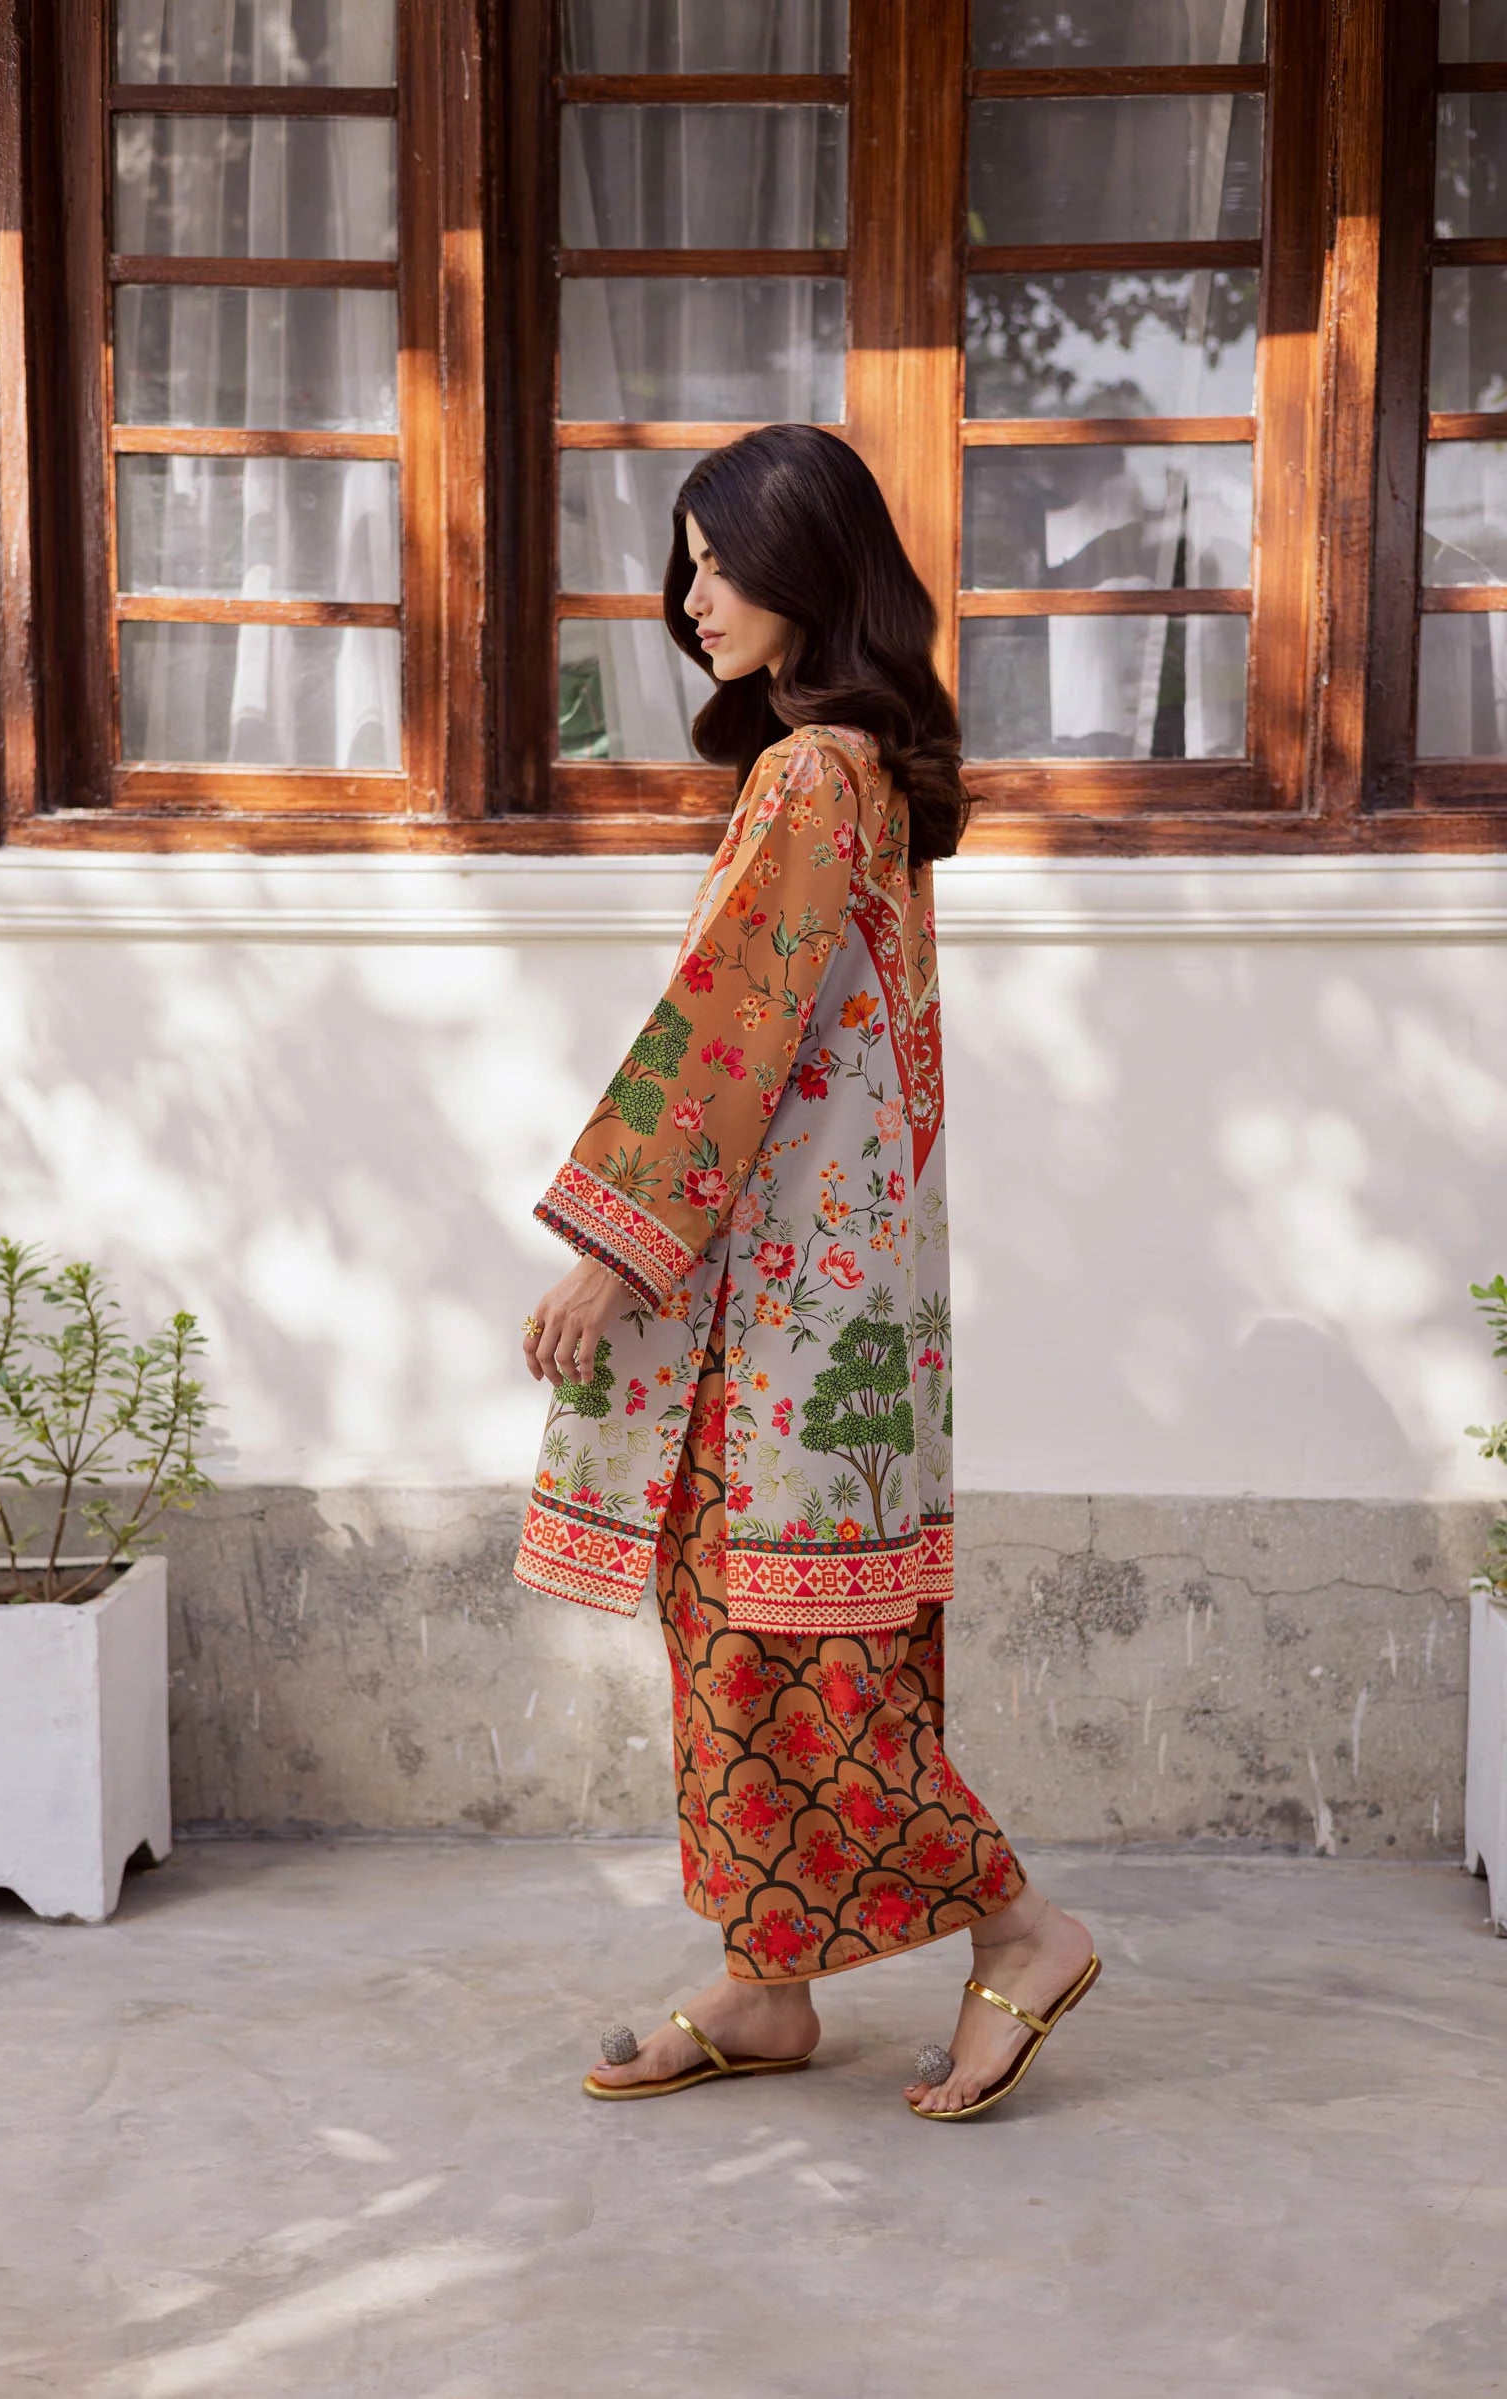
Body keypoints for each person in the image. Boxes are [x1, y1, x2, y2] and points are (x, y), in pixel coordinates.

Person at [514, 424, 1098, 2119]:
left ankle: (1024, 1929)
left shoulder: (815, 775)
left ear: (814, 569)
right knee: (742, 1640)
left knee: (800, 1663)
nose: (692, 599)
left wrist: (609, 1259)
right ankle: (768, 1988)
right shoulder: (856, 775)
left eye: (726, 564)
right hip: (813, 1307)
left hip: (783, 1321)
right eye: (687, 566)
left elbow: (727, 1034)